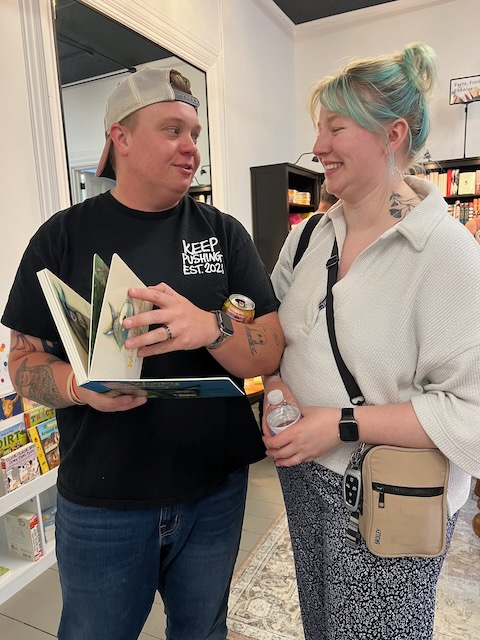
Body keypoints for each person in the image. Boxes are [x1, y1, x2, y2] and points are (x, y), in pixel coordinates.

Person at [2, 67, 283, 640]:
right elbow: (22, 364)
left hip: (214, 493)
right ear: (121, 138)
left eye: (195, 134)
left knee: (203, 631)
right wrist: (80, 389)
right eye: (172, 130)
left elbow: (270, 348)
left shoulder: (224, 234)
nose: (191, 148)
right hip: (102, 503)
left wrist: (210, 328)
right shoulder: (61, 237)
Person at [262, 43, 480, 640]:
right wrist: (275, 387)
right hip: (304, 474)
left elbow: (471, 413)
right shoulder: (309, 235)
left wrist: (338, 424)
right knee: (321, 623)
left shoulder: (448, 255)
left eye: (336, 127)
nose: (318, 145)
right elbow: (275, 331)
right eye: (319, 128)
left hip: (391, 493)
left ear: (393, 134)